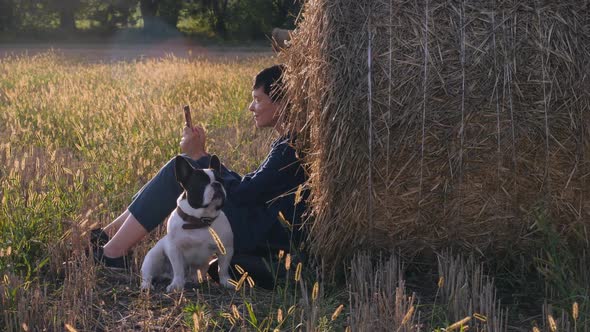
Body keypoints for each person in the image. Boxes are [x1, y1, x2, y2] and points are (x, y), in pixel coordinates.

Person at [92, 64, 308, 289]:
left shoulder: (290, 148)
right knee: (186, 165)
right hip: (261, 226)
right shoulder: (289, 143)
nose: (251, 107)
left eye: (258, 100)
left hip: (261, 235)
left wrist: (201, 157)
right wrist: (202, 158)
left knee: (181, 169)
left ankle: (112, 251)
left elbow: (246, 194)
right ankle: (107, 237)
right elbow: (253, 188)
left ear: (282, 102)